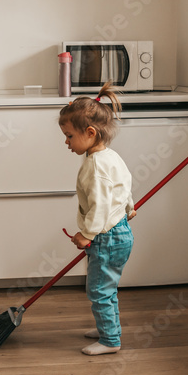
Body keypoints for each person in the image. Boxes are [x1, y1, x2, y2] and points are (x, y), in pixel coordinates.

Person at [59, 84, 136, 356]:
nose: (66, 142)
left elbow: (101, 204)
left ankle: (110, 341)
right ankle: (108, 328)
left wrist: (87, 234)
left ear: (90, 133)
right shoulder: (109, 157)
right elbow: (123, 185)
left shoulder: (95, 165)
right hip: (119, 232)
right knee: (107, 287)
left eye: (69, 136)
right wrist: (130, 206)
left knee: (98, 291)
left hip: (106, 237)